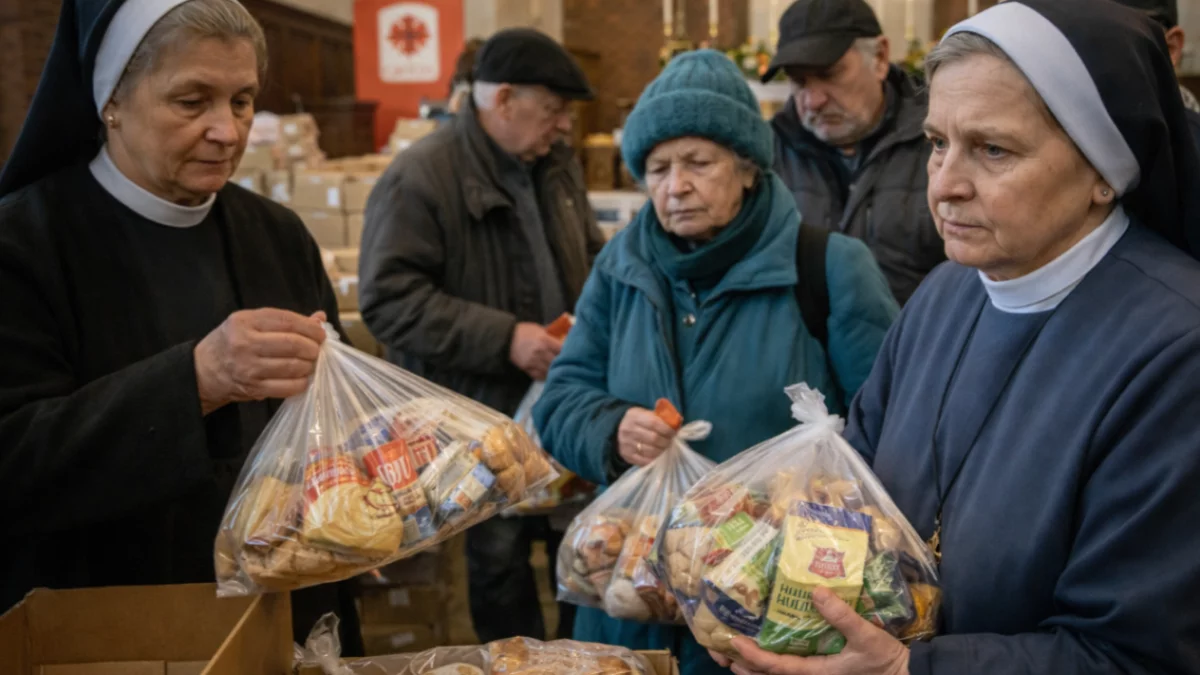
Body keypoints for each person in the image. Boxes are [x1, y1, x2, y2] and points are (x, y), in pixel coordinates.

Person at [712, 1, 1200, 674]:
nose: (944, 185)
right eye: (937, 143)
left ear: (1103, 172)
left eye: (992, 149)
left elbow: (1137, 655)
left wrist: (904, 669)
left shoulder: (1178, 349)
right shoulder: (945, 292)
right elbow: (859, 499)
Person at [0, 0, 363, 652]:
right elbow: (13, 457)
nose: (227, 131)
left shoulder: (278, 234)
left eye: (243, 101)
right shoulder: (24, 244)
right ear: (110, 101)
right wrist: (196, 380)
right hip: (116, 628)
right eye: (192, 101)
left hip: (287, 617)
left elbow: (331, 424)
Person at [533, 50, 899, 675]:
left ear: (748, 167)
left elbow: (895, 428)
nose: (676, 186)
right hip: (632, 615)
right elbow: (560, 403)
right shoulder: (619, 270)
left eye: (698, 163)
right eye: (657, 168)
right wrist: (610, 427)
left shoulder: (829, 268)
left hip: (772, 622)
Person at [358, 28, 604, 643]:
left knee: (580, 553)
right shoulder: (420, 177)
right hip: (475, 420)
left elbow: (590, 255)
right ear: (502, 100)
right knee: (497, 565)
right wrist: (505, 338)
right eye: (551, 111)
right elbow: (388, 300)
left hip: (559, 406)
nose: (562, 127)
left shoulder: (556, 165)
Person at [764, 0, 944, 305]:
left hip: (919, 345)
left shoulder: (939, 142)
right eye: (799, 81)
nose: (813, 100)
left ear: (880, 58)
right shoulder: (768, 153)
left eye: (829, 74)